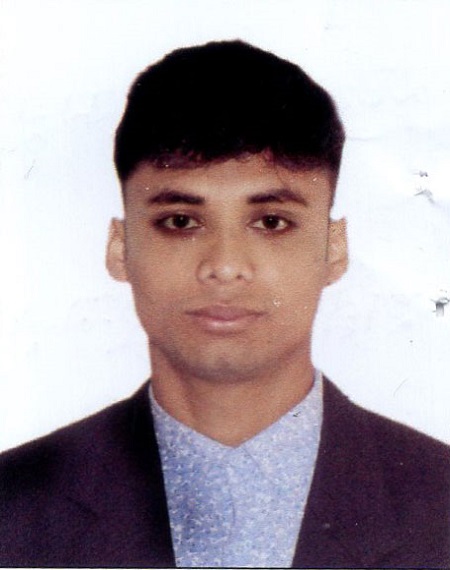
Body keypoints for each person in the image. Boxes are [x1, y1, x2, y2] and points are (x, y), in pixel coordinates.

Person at [0, 40, 448, 569]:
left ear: (334, 250)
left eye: (271, 222)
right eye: (181, 222)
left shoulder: (439, 505)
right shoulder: (14, 509)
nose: (226, 266)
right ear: (120, 249)